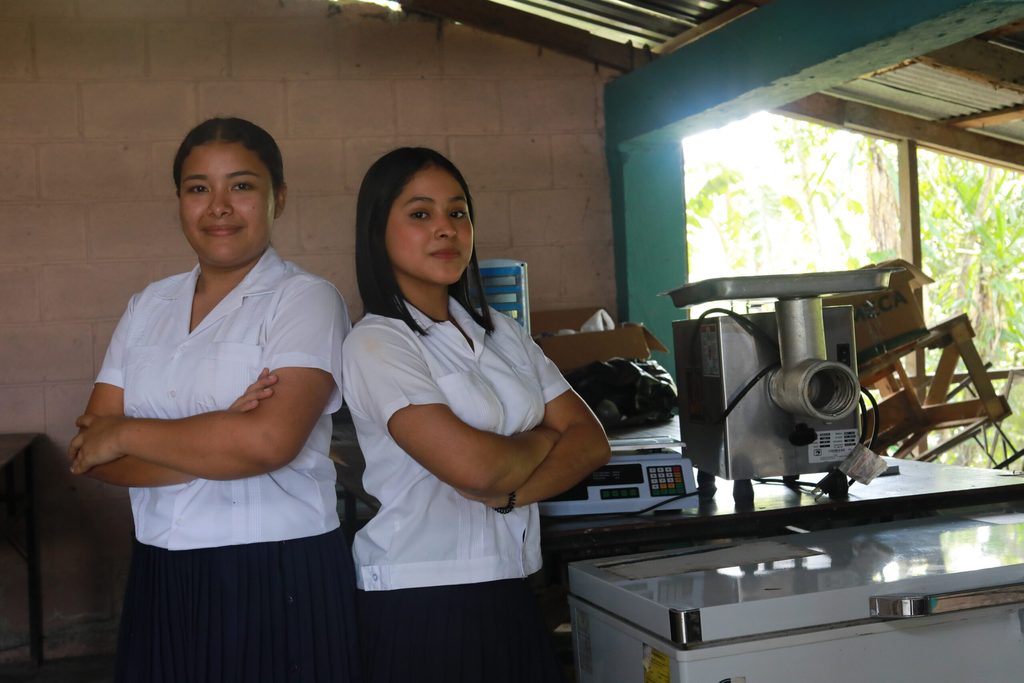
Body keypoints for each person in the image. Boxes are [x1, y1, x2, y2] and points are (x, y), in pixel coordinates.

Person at [68, 117, 360, 683]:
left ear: (278, 198)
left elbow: (268, 442)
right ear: (179, 200)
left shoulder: (306, 301)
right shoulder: (148, 306)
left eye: (242, 186)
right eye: (198, 188)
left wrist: (128, 433)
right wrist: (219, 437)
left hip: (277, 573)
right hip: (161, 571)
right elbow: (88, 450)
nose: (218, 206)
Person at [342, 147, 611, 683]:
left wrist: (513, 492)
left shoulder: (503, 332)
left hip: (510, 583)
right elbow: (476, 470)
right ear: (378, 231)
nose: (445, 229)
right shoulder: (377, 342)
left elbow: (590, 440)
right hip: (421, 597)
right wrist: (539, 437)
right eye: (420, 214)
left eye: (458, 212)